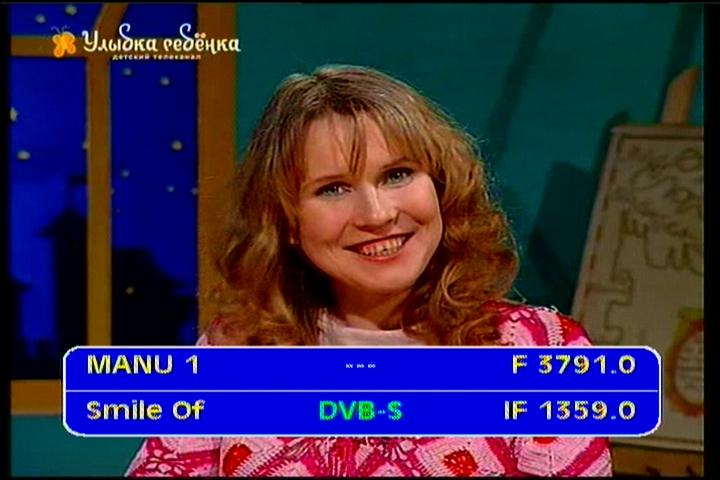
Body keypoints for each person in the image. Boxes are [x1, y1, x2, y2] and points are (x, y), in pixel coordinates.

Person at [126, 65, 613, 477]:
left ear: (440, 186)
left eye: (397, 175)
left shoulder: (543, 353)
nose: (377, 214)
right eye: (333, 189)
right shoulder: (232, 353)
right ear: (286, 223)